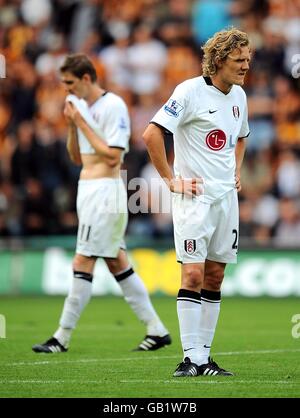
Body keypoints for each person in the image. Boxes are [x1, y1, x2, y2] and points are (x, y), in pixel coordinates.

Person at [32, 54, 171, 354]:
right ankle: (157, 329)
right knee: (116, 261)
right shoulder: (79, 106)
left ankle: (61, 337)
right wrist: (72, 126)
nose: (66, 89)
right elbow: (76, 157)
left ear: (86, 78)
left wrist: (80, 122)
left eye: (70, 83)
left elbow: (112, 156)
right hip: (88, 188)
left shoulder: (113, 106)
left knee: (82, 260)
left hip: (106, 191)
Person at [143, 28, 251, 376]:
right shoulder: (189, 91)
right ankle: (190, 358)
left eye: (248, 59)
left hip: (226, 200)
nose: (245, 66)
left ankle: (204, 359)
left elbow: (241, 137)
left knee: (215, 276)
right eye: (239, 60)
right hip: (194, 199)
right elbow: (151, 133)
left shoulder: (239, 97)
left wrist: (237, 169)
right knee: (192, 273)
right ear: (218, 60)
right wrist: (171, 181)